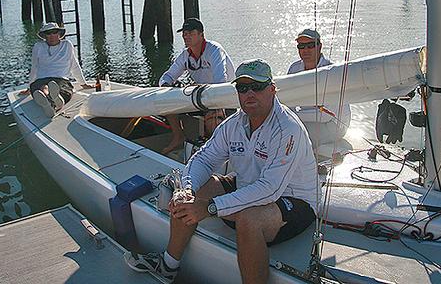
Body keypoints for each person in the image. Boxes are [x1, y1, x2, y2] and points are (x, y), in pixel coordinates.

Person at [126, 59, 319, 284]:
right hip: (249, 186)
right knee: (192, 193)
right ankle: (168, 265)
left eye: (257, 87)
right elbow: (204, 159)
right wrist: (187, 190)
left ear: (272, 89)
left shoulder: (288, 129)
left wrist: (210, 208)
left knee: (249, 219)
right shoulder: (234, 124)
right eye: (242, 88)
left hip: (294, 200)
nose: (249, 94)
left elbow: (270, 190)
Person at [158, 18, 235, 154]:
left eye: (190, 33)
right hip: (201, 96)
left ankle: (217, 150)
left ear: (201, 34)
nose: (186, 36)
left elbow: (221, 81)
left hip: (225, 98)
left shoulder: (214, 50)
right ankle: (178, 137)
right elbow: (168, 76)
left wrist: (210, 98)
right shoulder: (185, 55)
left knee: (213, 115)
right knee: (167, 102)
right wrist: (165, 85)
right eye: (184, 33)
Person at [286, 28, 351, 148]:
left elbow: (326, 115)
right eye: (301, 46)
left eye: (310, 45)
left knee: (294, 138)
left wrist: (291, 116)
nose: (305, 50)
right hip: (306, 119)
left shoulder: (331, 71)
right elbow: (288, 101)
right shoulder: (294, 69)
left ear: (319, 46)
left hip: (334, 124)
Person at [22, 22, 91, 117]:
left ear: (59, 34)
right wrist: (29, 87)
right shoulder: (38, 46)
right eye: (48, 33)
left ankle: (54, 100)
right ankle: (51, 100)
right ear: (44, 36)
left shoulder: (67, 45)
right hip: (42, 78)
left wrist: (83, 83)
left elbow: (74, 65)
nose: (52, 35)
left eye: (54, 32)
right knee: (38, 87)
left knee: (63, 89)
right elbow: (34, 67)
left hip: (61, 79)